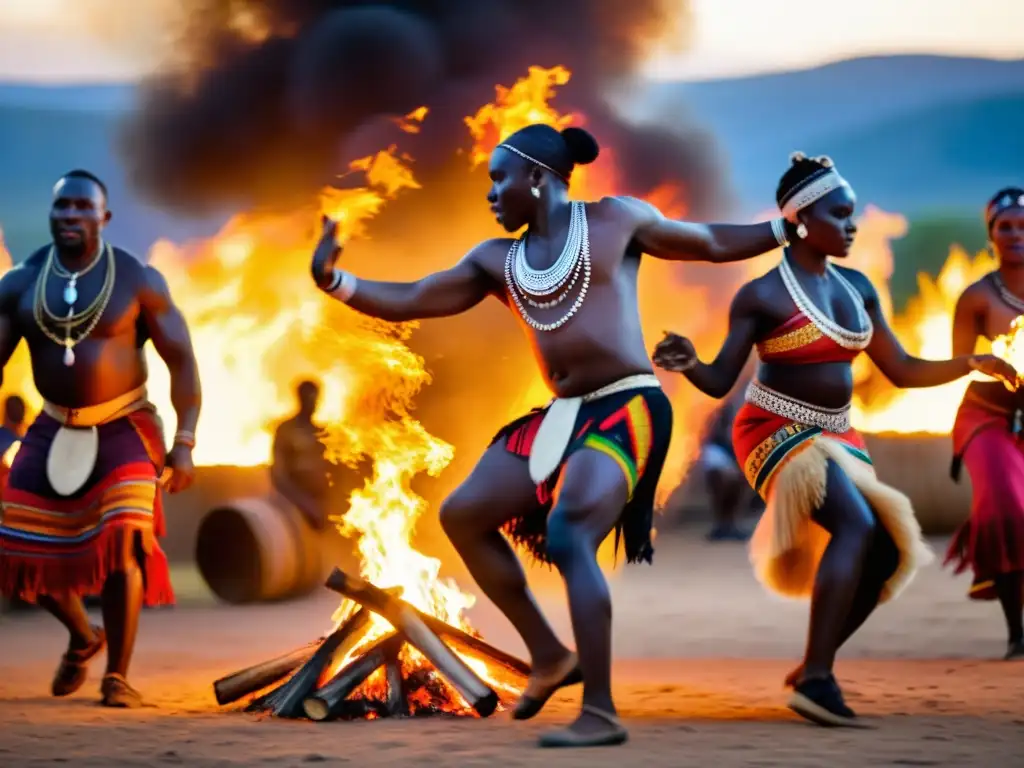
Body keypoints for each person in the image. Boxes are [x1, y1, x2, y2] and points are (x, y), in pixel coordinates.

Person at [310, 123, 789, 747]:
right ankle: (550, 655)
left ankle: (600, 712)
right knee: (464, 513)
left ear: (537, 177)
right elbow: (414, 297)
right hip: (562, 417)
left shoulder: (616, 221)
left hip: (626, 408)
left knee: (568, 533)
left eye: (498, 180)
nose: (490, 194)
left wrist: (783, 229)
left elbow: (705, 240)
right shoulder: (495, 260)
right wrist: (336, 282)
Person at [652, 153, 1019, 727]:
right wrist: (689, 362)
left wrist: (972, 362)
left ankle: (811, 665)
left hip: (838, 432)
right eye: (840, 214)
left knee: (888, 550)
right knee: (856, 525)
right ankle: (819, 680)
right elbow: (721, 379)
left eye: (851, 215)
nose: (852, 225)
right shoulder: (763, 296)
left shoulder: (857, 289)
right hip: (773, 429)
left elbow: (901, 369)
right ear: (801, 220)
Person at [0, 169, 201, 707]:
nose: (69, 216)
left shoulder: (138, 280)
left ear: (103, 218)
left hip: (126, 426)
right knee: (12, 546)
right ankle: (84, 636)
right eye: (61, 206)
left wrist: (184, 441)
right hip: (51, 424)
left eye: (81, 208)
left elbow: (181, 362)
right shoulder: (20, 283)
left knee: (124, 540)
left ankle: (118, 677)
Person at [946, 186, 1024, 661]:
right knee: (1006, 510)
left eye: (1023, 227)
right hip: (986, 416)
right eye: (1005, 227)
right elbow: (957, 363)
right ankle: (1018, 632)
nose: (1016, 234)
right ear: (991, 235)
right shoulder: (976, 297)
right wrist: (988, 362)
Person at [696, 368, 759, 541]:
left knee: (744, 476)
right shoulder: (713, 393)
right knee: (721, 474)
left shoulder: (750, 392)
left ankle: (731, 523)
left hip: (740, 447)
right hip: (717, 447)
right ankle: (720, 523)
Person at [270, 379, 333, 530]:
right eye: (308, 398)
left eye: (315, 398)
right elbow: (279, 477)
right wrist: (306, 504)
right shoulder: (286, 431)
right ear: (299, 398)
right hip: (293, 505)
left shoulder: (322, 433)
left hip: (322, 505)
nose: (312, 403)